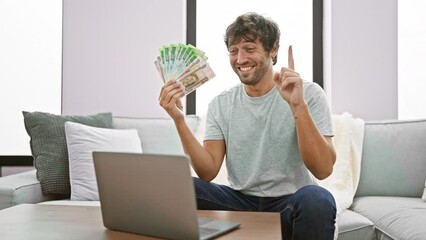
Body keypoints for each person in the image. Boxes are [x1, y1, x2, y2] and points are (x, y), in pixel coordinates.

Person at [159, 12, 337, 239]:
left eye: (249, 49)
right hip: (239, 201)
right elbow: (208, 171)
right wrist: (178, 119)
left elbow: (323, 170)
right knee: (178, 186)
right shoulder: (221, 103)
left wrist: (298, 107)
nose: (240, 59)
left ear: (273, 50)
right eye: (233, 51)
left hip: (290, 203)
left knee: (317, 199)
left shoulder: (308, 94)